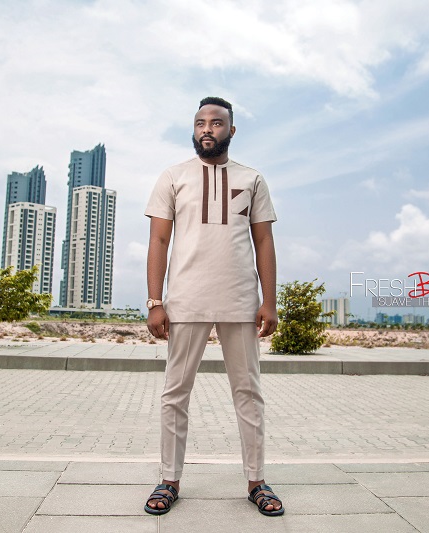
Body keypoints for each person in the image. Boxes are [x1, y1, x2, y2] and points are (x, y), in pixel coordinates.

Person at [143, 96, 283, 517]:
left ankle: (256, 481)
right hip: (186, 300)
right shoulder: (173, 176)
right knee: (175, 393)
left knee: (249, 393)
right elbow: (159, 240)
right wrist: (155, 301)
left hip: (240, 300)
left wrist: (270, 301)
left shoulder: (252, 178)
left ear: (231, 130)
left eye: (217, 123)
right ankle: (169, 480)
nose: (208, 128)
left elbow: (264, 240)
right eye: (201, 122)